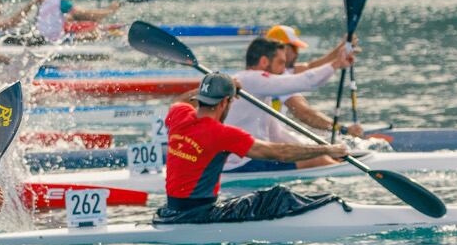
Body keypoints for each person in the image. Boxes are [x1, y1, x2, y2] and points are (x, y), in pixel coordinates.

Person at [155, 73, 348, 224]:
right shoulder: (222, 134)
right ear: (225, 102)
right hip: (198, 215)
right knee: (278, 196)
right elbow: (278, 153)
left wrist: (207, 89)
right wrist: (325, 150)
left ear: (201, 97)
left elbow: (179, 100)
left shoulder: (178, 115)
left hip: (171, 211)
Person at [223, 37, 354, 173]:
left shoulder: (256, 88)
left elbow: (277, 134)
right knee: (318, 161)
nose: (283, 70)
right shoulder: (251, 79)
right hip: (241, 163)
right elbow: (304, 82)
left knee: (319, 157)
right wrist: (336, 64)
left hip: (250, 159)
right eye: (280, 63)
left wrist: (315, 149)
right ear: (264, 62)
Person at [265, 25, 364, 138]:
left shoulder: (264, 70)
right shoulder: (279, 78)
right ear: (283, 49)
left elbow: (310, 67)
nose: (297, 53)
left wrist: (341, 49)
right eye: (295, 48)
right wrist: (343, 130)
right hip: (269, 143)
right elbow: (305, 114)